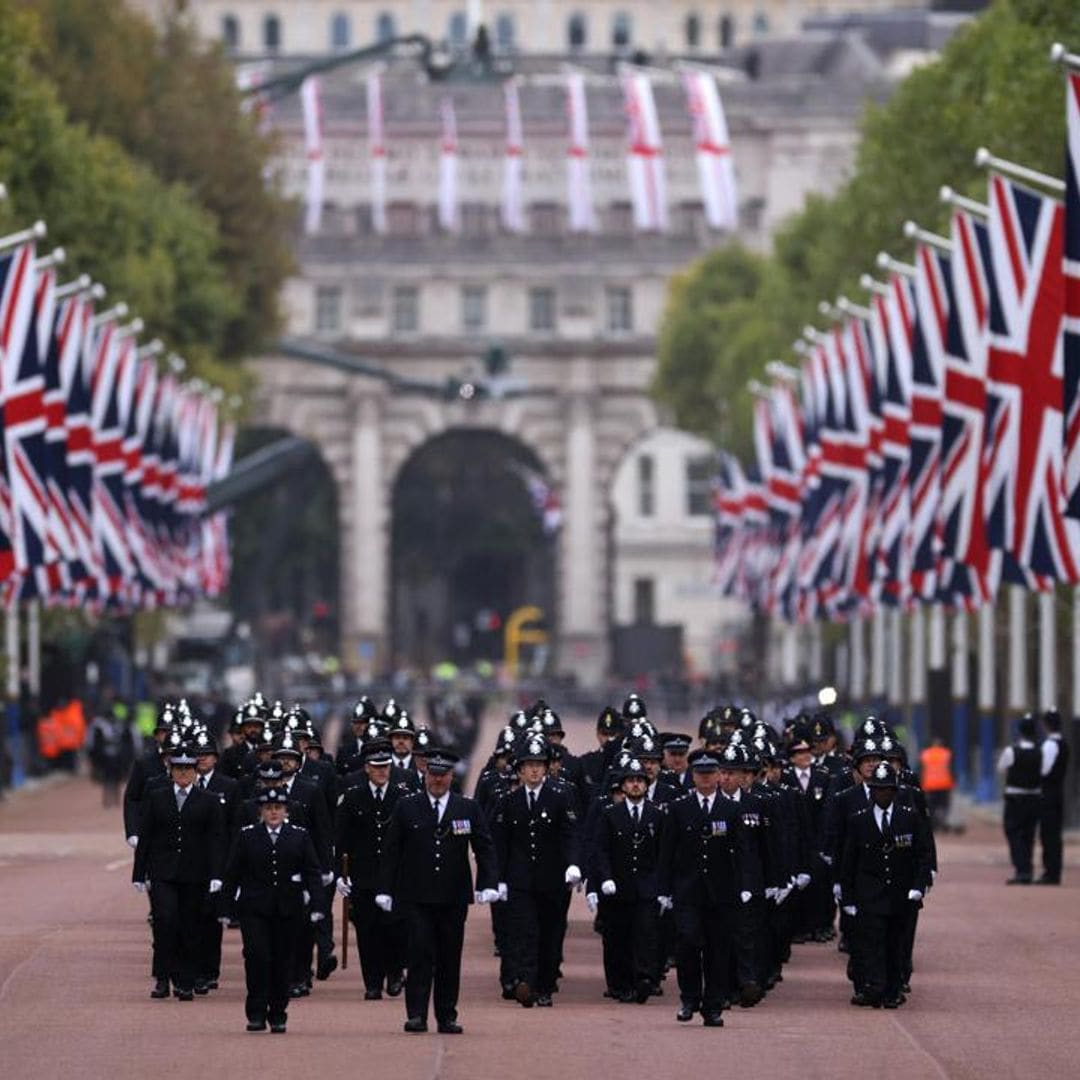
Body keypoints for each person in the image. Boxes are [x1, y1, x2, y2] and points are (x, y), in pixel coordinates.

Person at [377, 748, 500, 1034]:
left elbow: (484, 848)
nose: (437, 780)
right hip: (416, 895)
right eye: (433, 774)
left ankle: (447, 1016)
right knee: (419, 954)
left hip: (453, 896)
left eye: (443, 775)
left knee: (449, 957)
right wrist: (385, 889)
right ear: (425, 775)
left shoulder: (467, 808)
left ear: (451, 777)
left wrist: (488, 883)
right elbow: (391, 851)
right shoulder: (407, 807)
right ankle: (416, 1015)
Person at [658, 749, 762, 1027]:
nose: (705, 779)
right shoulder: (679, 808)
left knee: (718, 951)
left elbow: (743, 851)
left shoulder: (732, 810)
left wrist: (745, 885)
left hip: (722, 892)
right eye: (700, 774)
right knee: (688, 943)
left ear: (718, 776)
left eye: (710, 774)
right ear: (693, 777)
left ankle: (713, 1006)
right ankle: (689, 998)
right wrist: (664, 888)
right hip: (687, 891)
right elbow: (667, 851)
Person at [221, 787, 326, 1033]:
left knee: (282, 961)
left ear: (286, 810)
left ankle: (278, 1012)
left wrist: (318, 905)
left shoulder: (299, 836)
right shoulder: (247, 836)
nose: (274, 812)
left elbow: (312, 871)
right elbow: (233, 873)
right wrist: (225, 907)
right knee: (257, 957)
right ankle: (256, 1012)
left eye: (278, 808)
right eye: (269, 808)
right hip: (254, 908)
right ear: (261, 811)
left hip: (288, 909)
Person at [491, 733, 581, 1008]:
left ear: (546, 768)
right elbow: (501, 843)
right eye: (528, 764)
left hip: (552, 879)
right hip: (521, 880)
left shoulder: (560, 797)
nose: (534, 769)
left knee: (551, 933)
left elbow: (570, 835)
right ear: (519, 769)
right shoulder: (509, 802)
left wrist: (574, 864)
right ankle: (526, 983)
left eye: (539, 764)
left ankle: (544, 985)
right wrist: (499, 879)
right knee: (524, 931)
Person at [132, 746, 226, 1000]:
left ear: (196, 772)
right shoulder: (156, 796)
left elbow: (216, 840)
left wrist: (217, 874)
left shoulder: (209, 800)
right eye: (178, 768)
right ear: (171, 771)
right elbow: (146, 837)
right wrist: (139, 874)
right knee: (165, 921)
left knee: (189, 925)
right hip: (163, 871)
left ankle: (185, 980)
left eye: (188, 769)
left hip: (195, 873)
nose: (183, 773)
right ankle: (162, 977)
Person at [840, 762, 932, 1008]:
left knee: (896, 944)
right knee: (873, 942)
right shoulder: (859, 820)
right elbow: (849, 861)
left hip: (900, 894)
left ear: (895, 790)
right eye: (878, 789)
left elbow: (923, 854)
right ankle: (876, 986)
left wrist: (918, 886)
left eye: (887, 789)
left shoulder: (908, 818)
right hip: (869, 894)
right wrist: (847, 897)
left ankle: (893, 989)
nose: (883, 794)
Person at [335, 739, 409, 999]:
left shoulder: (402, 797)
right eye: (376, 767)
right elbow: (341, 839)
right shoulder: (353, 796)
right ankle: (372, 982)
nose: (382, 771)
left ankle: (395, 971)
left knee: (395, 928)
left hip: (395, 875)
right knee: (368, 930)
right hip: (363, 875)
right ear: (367, 768)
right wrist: (339, 875)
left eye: (386, 766)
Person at [592, 758, 665, 1003]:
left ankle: (644, 979)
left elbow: (664, 853)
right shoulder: (610, 814)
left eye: (639, 781)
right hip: (618, 887)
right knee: (617, 937)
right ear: (622, 786)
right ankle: (619, 984)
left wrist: (663, 886)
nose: (635, 785)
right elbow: (600, 849)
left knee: (646, 935)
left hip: (647, 887)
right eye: (631, 781)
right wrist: (605, 878)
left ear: (646, 785)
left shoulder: (657, 815)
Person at [997, 714, 1043, 885]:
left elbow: (1001, 768)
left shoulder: (1012, 751)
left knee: (1013, 832)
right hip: (1034, 797)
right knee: (1029, 834)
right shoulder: (1040, 752)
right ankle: (1028, 869)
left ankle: (1021, 869)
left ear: (1020, 731)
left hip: (1015, 798)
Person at [1037, 710, 1068, 885]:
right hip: (1058, 792)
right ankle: (1054, 870)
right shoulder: (1064, 743)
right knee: (1054, 833)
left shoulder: (1050, 745)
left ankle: (1051, 871)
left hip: (1048, 793)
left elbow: (1044, 770)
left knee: (1048, 833)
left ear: (1046, 725)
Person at [918, 738, 954, 833]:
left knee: (931, 806)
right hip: (944, 784)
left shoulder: (925, 754)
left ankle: (934, 824)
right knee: (943, 805)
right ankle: (942, 822)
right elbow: (951, 769)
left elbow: (920, 770)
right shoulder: (946, 754)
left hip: (929, 785)